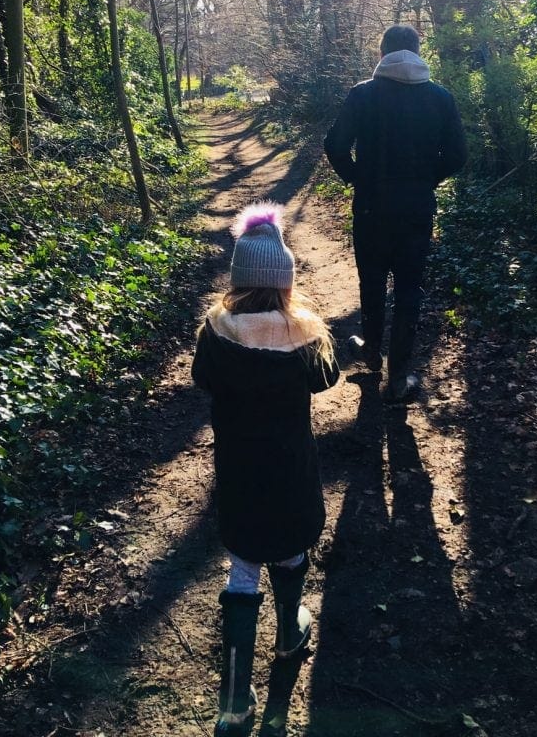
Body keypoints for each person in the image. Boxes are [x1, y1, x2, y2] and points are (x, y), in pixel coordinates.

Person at [192, 203, 339, 737]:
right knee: (291, 545)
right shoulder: (305, 336)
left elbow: (202, 379)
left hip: (238, 477)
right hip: (292, 475)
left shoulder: (215, 332)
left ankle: (233, 701)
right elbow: (329, 380)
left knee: (243, 568)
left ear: (237, 282)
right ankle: (289, 634)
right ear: (285, 283)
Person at [324, 24, 467, 402]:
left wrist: (357, 178)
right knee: (408, 288)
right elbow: (458, 156)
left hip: (371, 206)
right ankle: (399, 376)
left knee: (371, 281)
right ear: (419, 52)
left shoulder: (363, 94)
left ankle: (371, 352)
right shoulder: (440, 97)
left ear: (382, 54)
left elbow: (335, 145)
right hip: (417, 208)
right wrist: (425, 180)